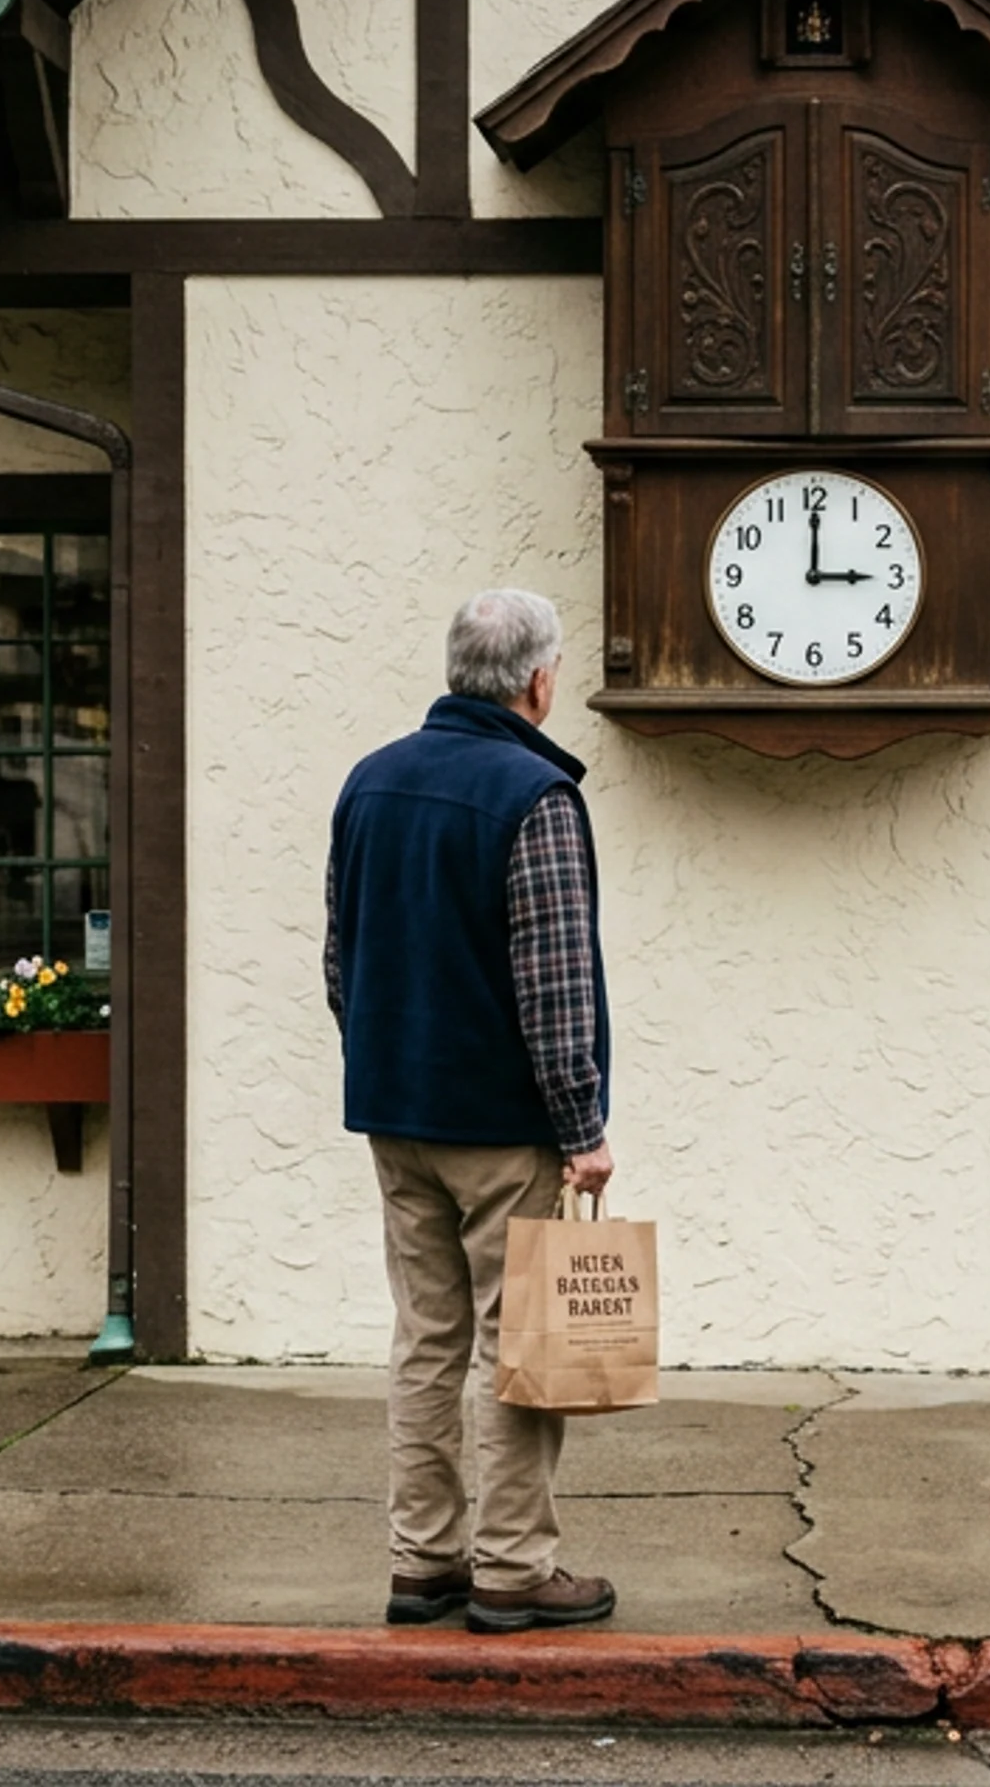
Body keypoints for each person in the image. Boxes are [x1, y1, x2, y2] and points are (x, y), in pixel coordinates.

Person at [325, 588, 618, 1635]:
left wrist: (383, 1062)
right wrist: (582, 1127)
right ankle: (513, 1569)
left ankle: (423, 1560)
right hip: (503, 1124)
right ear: (539, 681)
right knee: (516, 1343)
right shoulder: (534, 795)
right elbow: (553, 986)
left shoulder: (369, 782)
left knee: (426, 1338)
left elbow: (339, 959)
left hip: (395, 1113)